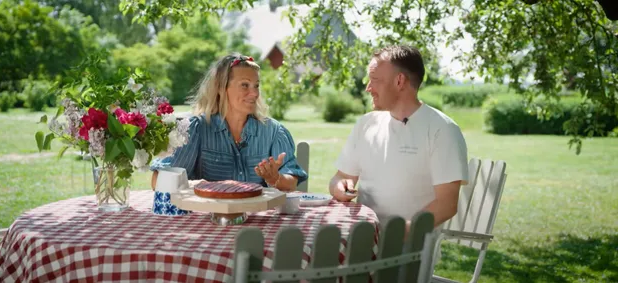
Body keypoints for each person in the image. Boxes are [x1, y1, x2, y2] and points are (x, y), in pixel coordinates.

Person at [328, 45, 469, 237]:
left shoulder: (442, 130)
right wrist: (341, 188)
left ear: (399, 81)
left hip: (407, 252)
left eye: (375, 80)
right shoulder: (366, 123)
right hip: (359, 239)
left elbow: (446, 205)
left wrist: (393, 236)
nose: (368, 88)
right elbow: (340, 177)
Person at [150, 53, 308, 191]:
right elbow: (158, 181)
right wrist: (197, 185)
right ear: (221, 88)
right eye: (245, 85)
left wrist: (276, 179)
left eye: (256, 86)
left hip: (258, 221)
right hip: (207, 221)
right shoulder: (194, 129)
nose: (254, 93)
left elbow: (292, 183)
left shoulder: (273, 132)